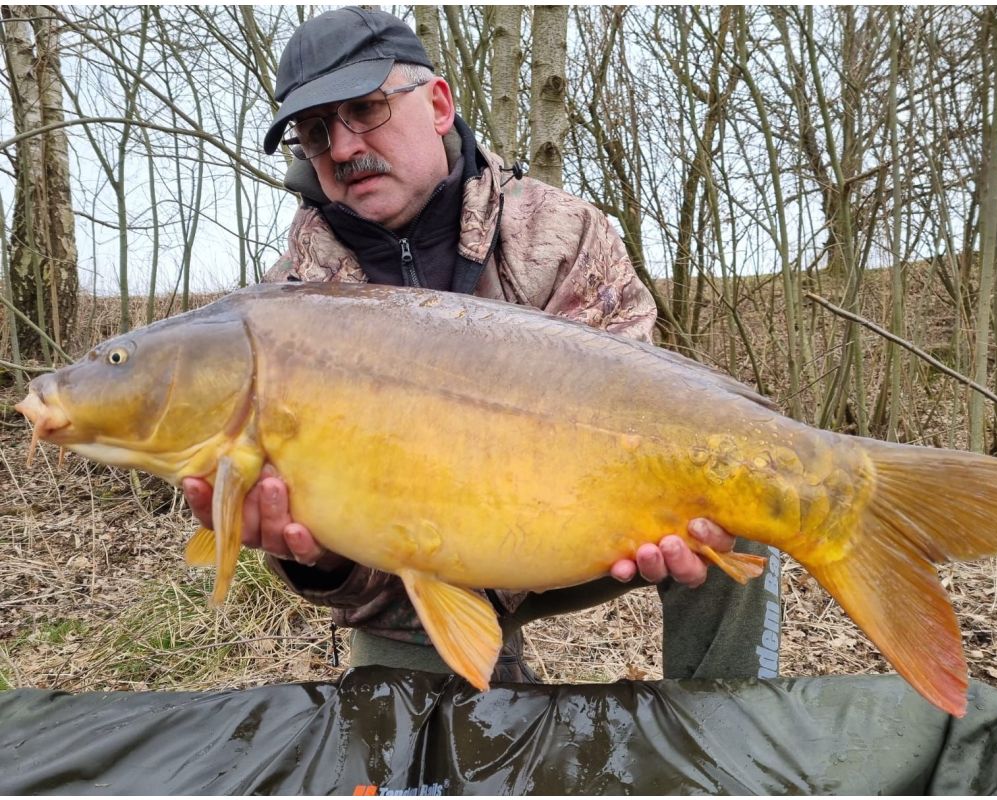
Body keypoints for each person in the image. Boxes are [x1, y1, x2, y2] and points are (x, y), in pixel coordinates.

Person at [184, 7, 779, 683]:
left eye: (366, 109)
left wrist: (661, 512)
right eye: (316, 132)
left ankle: (729, 749)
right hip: (411, 583)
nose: (344, 147)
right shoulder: (288, 306)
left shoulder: (561, 232)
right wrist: (315, 561)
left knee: (744, 491)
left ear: (438, 104)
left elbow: (639, 404)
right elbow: (338, 571)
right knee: (418, 762)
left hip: (572, 533)